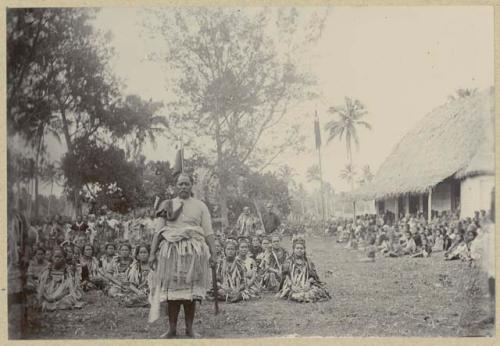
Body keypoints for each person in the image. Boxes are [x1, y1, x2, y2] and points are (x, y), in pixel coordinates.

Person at [148, 172, 216, 339]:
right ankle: (171, 329)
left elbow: (208, 232)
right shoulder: (167, 204)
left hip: (193, 254)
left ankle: (189, 329)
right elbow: (158, 232)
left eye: (186, 184)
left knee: (190, 294)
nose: (184, 187)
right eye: (181, 184)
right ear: (176, 186)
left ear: (191, 185)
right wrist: (152, 254)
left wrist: (214, 253)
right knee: (172, 294)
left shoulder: (200, 206)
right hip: (171, 253)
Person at [277, 237, 330, 303]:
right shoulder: (288, 262)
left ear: (304, 250)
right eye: (297, 248)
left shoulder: (309, 262)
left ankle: (304, 295)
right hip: (292, 285)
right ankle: (297, 295)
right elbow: (286, 277)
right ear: (293, 249)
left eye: (301, 248)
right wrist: (292, 286)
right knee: (295, 295)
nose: (299, 250)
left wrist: (308, 283)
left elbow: (313, 276)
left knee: (317, 292)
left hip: (305, 285)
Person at [36, 247, 85, 311]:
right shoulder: (47, 270)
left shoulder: (68, 271)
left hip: (62, 295)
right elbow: (41, 287)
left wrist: (56, 298)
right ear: (52, 257)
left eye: (60, 257)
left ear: (64, 258)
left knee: (66, 301)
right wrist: (47, 297)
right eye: (55, 257)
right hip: (48, 294)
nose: (57, 259)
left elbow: (69, 289)